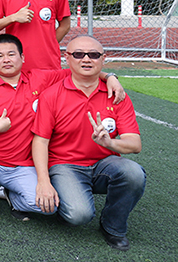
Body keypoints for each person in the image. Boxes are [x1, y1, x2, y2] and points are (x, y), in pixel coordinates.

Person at [0, 35, 124, 223]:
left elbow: (78, 70)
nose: (6, 60)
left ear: (22, 58)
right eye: (0, 56)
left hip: (24, 164)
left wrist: (110, 77)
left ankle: (13, 197)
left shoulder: (40, 79)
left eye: (11, 54)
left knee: (48, 206)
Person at [33, 35, 146, 251]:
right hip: (65, 165)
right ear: (67, 58)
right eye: (78, 54)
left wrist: (109, 143)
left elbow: (135, 144)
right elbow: (40, 141)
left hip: (104, 163)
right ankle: (67, 203)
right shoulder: (52, 95)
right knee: (79, 215)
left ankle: (113, 226)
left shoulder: (116, 95)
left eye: (93, 55)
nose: (86, 59)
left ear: (103, 59)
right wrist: (43, 181)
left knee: (133, 173)